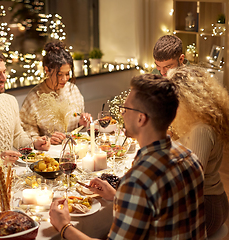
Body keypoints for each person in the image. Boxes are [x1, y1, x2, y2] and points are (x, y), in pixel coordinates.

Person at [49, 74, 206, 239]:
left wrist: (64, 226)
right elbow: (166, 211)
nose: (122, 115)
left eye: (125, 109)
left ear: (141, 118)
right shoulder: (190, 157)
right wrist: (116, 196)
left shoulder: (137, 181)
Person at [167, 66, 229, 237]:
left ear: (187, 98)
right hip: (211, 200)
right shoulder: (198, 122)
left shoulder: (201, 129)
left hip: (207, 207)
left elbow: (192, 180)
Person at [20, 41, 91, 145]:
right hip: (49, 154)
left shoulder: (73, 90)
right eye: (59, 74)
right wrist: (48, 140)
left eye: (67, 74)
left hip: (73, 149)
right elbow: (27, 137)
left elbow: (74, 127)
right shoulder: (34, 98)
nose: (64, 79)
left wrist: (81, 122)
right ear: (47, 70)